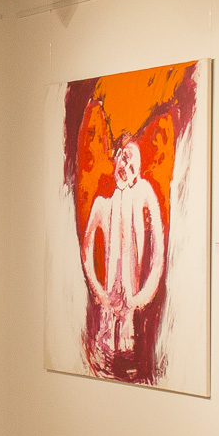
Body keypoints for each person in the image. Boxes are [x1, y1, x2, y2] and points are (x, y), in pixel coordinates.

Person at [82, 138, 165, 359]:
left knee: (128, 354)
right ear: (117, 155)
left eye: (132, 168)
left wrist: (140, 298)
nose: (125, 169)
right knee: (103, 354)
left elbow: (158, 255)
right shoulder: (101, 205)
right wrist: (100, 293)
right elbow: (86, 252)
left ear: (136, 176)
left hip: (132, 313)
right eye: (125, 158)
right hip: (106, 313)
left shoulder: (143, 194)